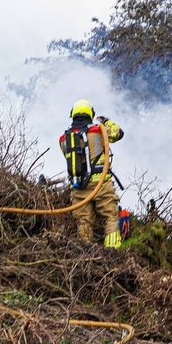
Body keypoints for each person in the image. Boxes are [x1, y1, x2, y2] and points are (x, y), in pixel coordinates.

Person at [59, 99, 124, 248]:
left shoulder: (64, 139)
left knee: (84, 221)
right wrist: (106, 121)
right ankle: (113, 253)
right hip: (101, 184)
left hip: (79, 187)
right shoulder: (98, 131)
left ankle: (86, 257)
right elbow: (119, 133)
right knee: (111, 216)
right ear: (90, 114)